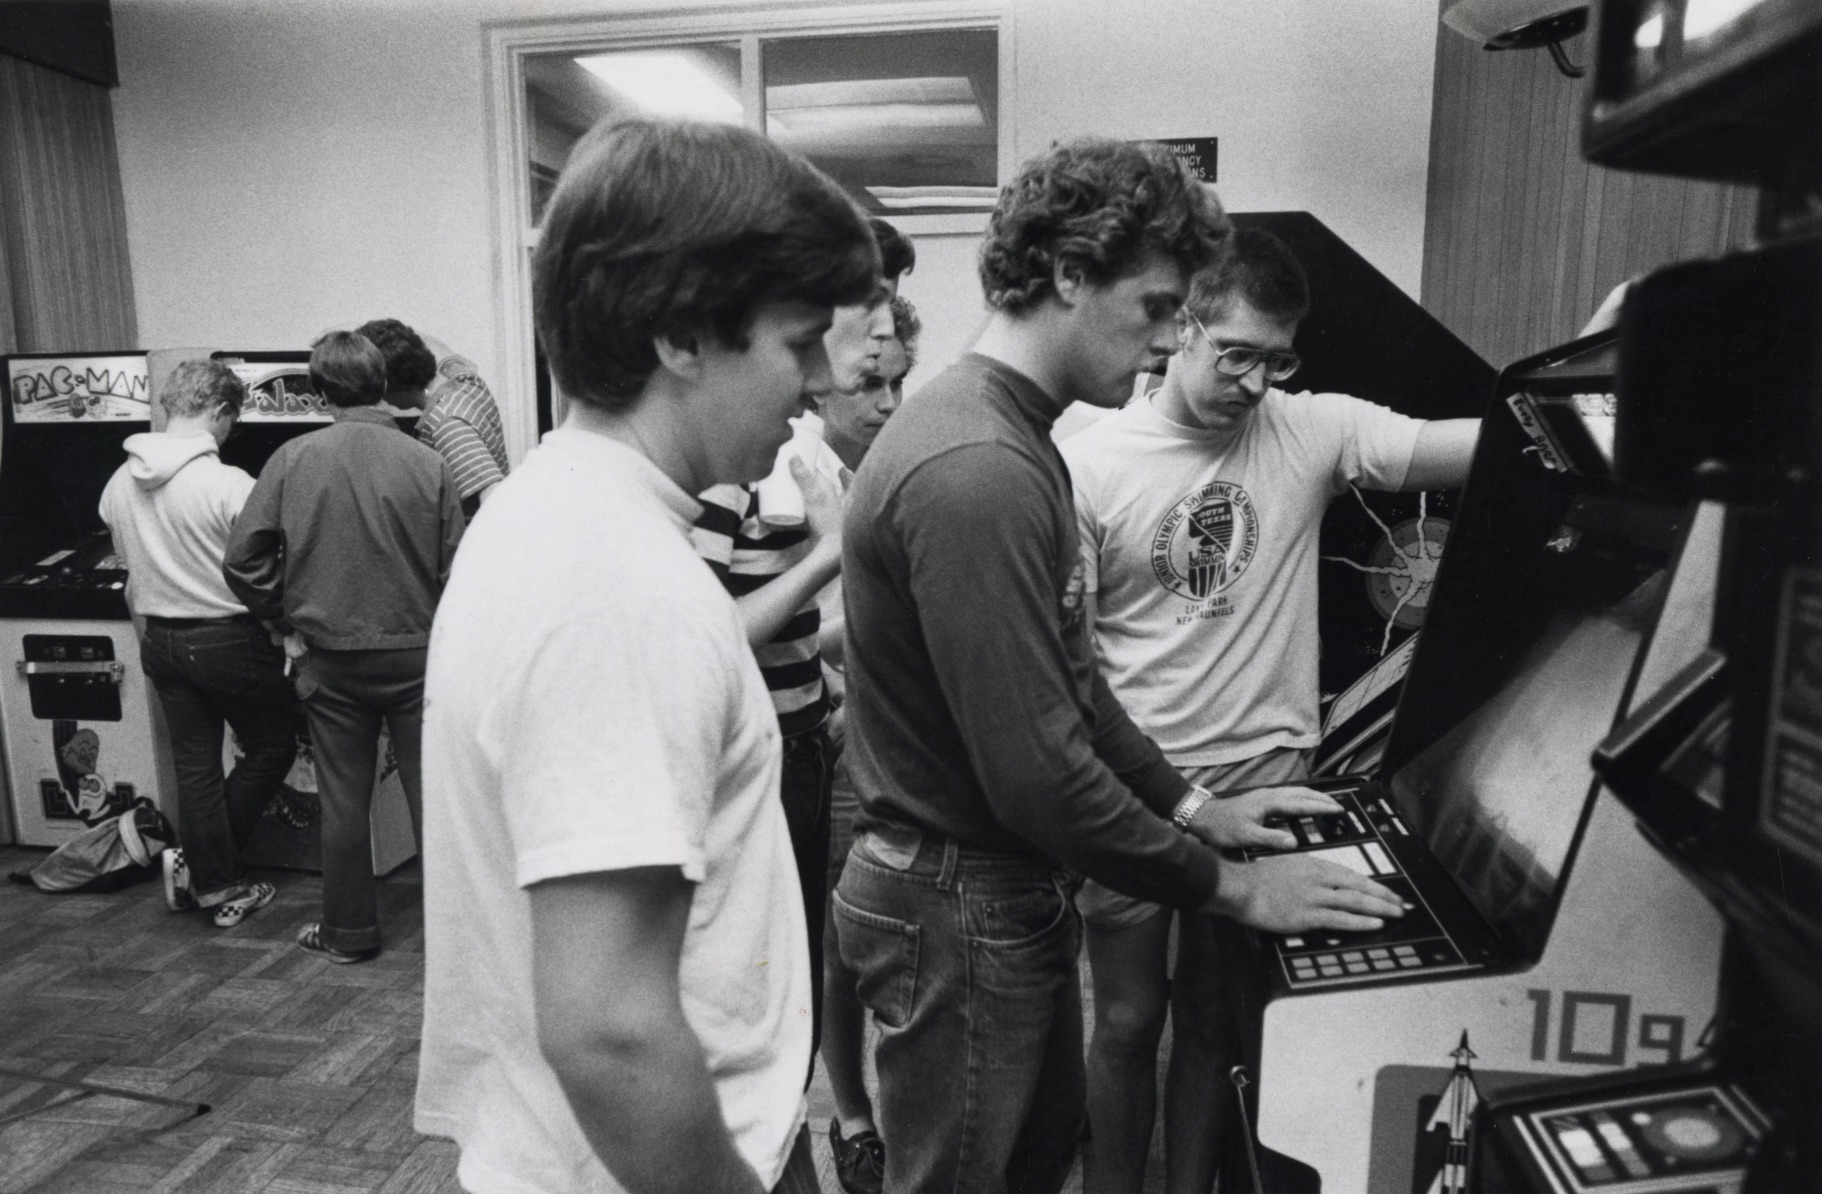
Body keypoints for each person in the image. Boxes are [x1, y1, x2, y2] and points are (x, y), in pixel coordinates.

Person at [834, 137, 1409, 1194]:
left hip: (992, 891)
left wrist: (1192, 804)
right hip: (958, 898)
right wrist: (1234, 891)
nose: (1164, 343)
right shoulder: (978, 468)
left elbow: (1069, 682)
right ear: (1066, 276)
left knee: (1028, 1165)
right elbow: (1037, 772)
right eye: (1155, 308)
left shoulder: (1019, 439)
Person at [414, 118, 879, 1194]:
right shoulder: (617, 583)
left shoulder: (553, 507)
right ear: (681, 335)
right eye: (796, 340)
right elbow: (611, 1031)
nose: (815, 380)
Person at [1062, 227, 1479, 1194]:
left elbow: (1466, 449)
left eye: (1275, 358)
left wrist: (1588, 374)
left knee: (1216, 1020)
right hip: (1138, 780)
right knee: (1126, 1023)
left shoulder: (1313, 427)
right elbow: (1071, 664)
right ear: (1182, 329)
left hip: (1270, 777)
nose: (1253, 382)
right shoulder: (1091, 467)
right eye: (1234, 354)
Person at [685, 215, 911, 1165]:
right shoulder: (750, 470)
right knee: (759, 970)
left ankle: (805, 1129)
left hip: (803, 740)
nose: (886, 386)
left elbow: (781, 637)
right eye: (869, 356)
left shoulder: (817, 461)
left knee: (800, 952)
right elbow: (704, 636)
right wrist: (829, 553)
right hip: (763, 760)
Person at [222, 330, 465, 964]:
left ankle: (349, 933)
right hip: (418, 658)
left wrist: (285, 620)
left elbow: (244, 561)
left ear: (320, 390)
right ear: (383, 384)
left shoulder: (291, 458)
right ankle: (458, 947)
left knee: (342, 801)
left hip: (329, 658)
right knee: (432, 803)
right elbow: (458, 570)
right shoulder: (429, 462)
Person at [97, 358, 298, 928]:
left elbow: (128, 565)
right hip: (227, 639)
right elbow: (271, 564)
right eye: (232, 420)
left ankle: (210, 879)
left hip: (159, 639)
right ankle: (206, 869)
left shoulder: (118, 483)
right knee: (270, 748)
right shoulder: (228, 483)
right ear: (221, 412)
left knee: (196, 768)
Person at [816, 293, 919, 1194]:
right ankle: (851, 1114)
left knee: (861, 939)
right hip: (826, 735)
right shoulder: (790, 469)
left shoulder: (862, 471)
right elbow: (777, 629)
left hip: (863, 726)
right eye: (872, 386)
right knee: (836, 947)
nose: (890, 406)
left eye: (900, 385)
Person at [355, 318, 510, 518]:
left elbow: (494, 496)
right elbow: (442, 352)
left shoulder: (447, 423)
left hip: (469, 539)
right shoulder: (463, 378)